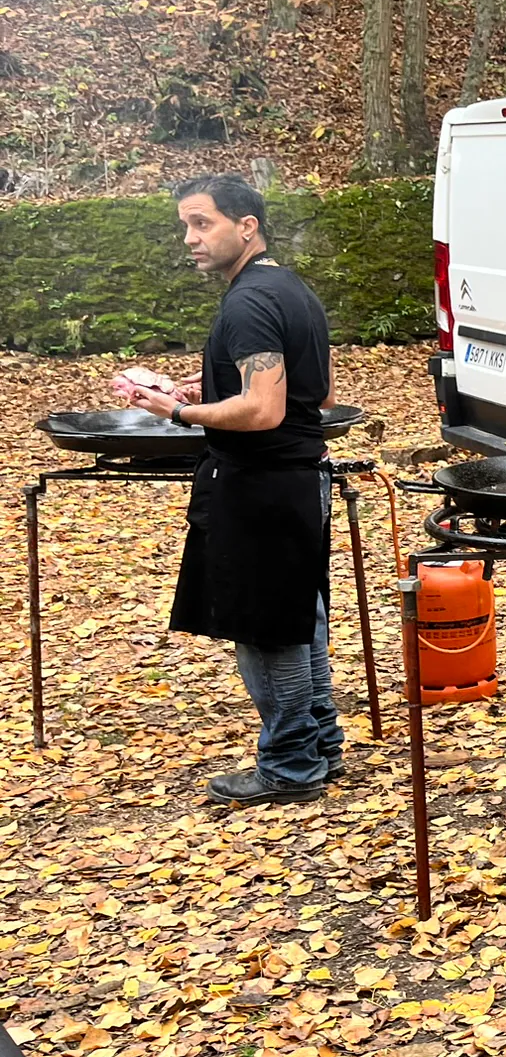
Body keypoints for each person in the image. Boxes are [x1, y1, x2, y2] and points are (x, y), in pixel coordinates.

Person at [127, 175, 343, 806]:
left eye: (202, 223)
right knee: (300, 622)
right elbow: (319, 396)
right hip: (299, 482)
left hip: (260, 487)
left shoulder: (248, 303)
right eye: (185, 226)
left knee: (266, 630)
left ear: (246, 225)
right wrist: (205, 388)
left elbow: (263, 411)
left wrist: (173, 411)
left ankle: (289, 765)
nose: (190, 239)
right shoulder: (291, 290)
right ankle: (318, 746)